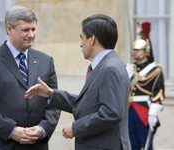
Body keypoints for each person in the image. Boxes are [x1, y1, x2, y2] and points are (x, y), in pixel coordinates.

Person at [25, 14, 131, 150]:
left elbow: (112, 113)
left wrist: (76, 128)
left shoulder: (110, 68)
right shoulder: (107, 65)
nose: (81, 44)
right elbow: (88, 105)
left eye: (82, 38)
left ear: (92, 39)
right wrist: (51, 93)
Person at [0, 6, 60, 150]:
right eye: (26, 30)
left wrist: (42, 129)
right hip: (0, 143)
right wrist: (11, 130)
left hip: (36, 145)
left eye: (33, 29)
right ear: (9, 29)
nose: (31, 34)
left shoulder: (46, 61)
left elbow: (54, 102)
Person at [126, 22, 165, 150]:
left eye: (138, 50)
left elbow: (158, 92)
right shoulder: (130, 68)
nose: (134, 52)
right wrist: (128, 76)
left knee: (146, 144)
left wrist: (153, 113)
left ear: (146, 51)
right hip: (129, 109)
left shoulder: (156, 70)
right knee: (131, 144)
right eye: (134, 50)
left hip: (144, 110)